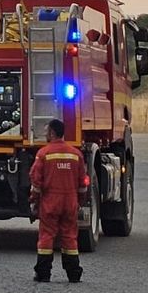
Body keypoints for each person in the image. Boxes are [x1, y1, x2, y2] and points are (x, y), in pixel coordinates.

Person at [30, 119, 86, 283]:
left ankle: (43, 273)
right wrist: (79, 201)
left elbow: (36, 181)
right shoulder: (76, 154)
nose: (45, 134)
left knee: (47, 236)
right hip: (70, 202)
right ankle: (73, 274)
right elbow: (82, 182)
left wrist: (34, 200)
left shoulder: (44, 153)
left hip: (50, 202)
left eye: (47, 131)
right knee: (69, 236)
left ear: (52, 133)